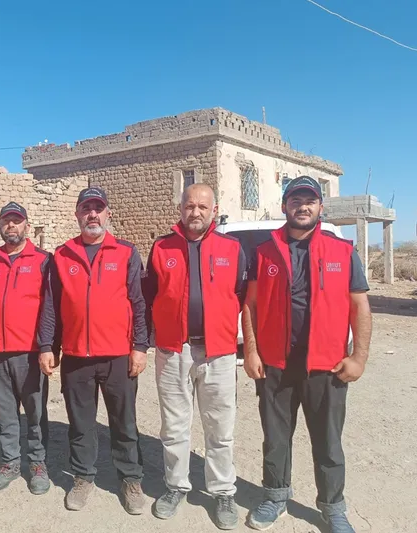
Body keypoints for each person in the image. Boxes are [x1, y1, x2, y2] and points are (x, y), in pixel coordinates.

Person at [242, 176, 372, 533]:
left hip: (327, 366)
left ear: (320, 207)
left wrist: (358, 357)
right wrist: (251, 351)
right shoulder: (264, 251)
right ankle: (275, 497)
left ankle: (332, 508)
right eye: (296, 200)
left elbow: (359, 306)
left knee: (328, 442)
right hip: (276, 365)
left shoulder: (342, 251)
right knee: (275, 439)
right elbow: (250, 304)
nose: (303, 206)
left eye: (309, 200)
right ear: (285, 206)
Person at [37, 187, 149, 514]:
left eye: (98, 208)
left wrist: (140, 346)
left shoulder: (125, 252)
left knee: (124, 422)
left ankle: (130, 479)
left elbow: (139, 303)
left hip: (118, 356)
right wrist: (47, 346)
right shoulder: (62, 255)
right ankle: (83, 477)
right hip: (76, 358)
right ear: (77, 214)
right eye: (86, 208)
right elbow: (51, 306)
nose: (92, 215)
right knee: (81, 423)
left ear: (107, 214)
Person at [143, 184, 246, 529]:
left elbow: (240, 295)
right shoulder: (162, 247)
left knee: (220, 427)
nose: (195, 212)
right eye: (189, 206)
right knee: (174, 426)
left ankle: (223, 491)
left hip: (219, 352)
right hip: (174, 350)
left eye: (203, 206)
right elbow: (150, 294)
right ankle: (176, 486)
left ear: (214, 210)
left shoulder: (232, 248)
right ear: (180, 209)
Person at [0, 202, 53, 495]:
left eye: (17, 221)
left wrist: (48, 346)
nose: (11, 226)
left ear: (27, 225)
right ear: (0, 225)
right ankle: (10, 462)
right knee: (5, 413)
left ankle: (38, 464)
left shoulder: (43, 260)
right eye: (6, 221)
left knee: (35, 412)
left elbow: (50, 308)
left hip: (30, 353)